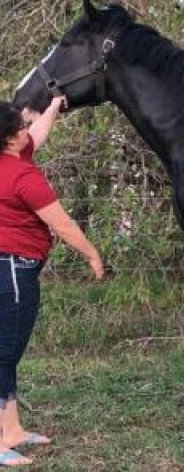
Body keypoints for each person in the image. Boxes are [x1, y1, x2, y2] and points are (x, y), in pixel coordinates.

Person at [0, 96, 104, 466]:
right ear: (11, 139)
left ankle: (10, 429)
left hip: (12, 265)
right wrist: (92, 254)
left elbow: (38, 133)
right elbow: (62, 224)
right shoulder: (22, 177)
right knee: (4, 351)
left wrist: (55, 105)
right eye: (22, 128)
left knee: (7, 353)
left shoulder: (13, 155)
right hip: (11, 268)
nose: (29, 132)